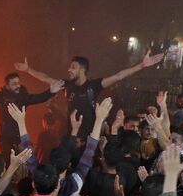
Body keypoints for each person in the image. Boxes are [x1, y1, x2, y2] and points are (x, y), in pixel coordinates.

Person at [14, 51, 164, 137]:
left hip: (90, 136)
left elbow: (118, 76)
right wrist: (28, 70)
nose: (69, 70)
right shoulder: (67, 85)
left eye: (73, 67)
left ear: (82, 69)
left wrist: (141, 65)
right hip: (71, 134)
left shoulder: (94, 86)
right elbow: (46, 78)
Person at [0, 63, 62, 161]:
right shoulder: (2, 98)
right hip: (5, 138)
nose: (18, 86)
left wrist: (51, 92)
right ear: (7, 86)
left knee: (24, 163)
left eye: (18, 83)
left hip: (20, 136)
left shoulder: (24, 98)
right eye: (14, 84)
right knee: (9, 163)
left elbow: (39, 98)